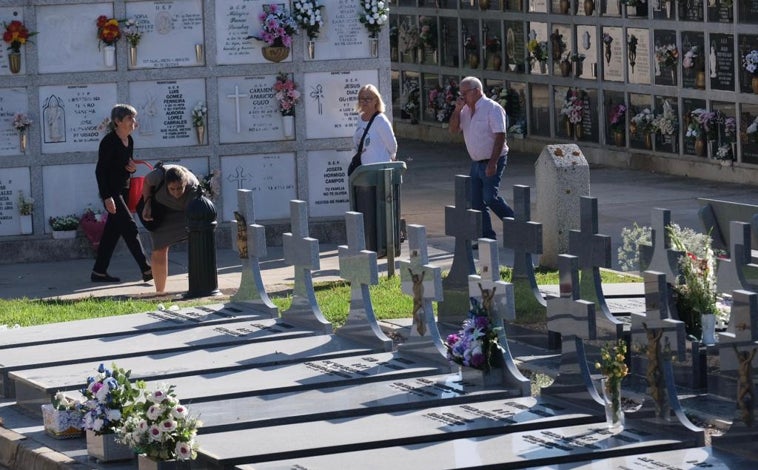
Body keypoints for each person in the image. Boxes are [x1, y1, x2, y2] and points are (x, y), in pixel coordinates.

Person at [91, 104, 152, 283]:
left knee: (112, 233)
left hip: (124, 191)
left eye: (134, 118)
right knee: (130, 227)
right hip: (112, 193)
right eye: (129, 119)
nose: (134, 122)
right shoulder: (109, 142)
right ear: (118, 122)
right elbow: (100, 171)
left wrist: (132, 169)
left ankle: (99, 272)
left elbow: (125, 166)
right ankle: (146, 269)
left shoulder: (129, 140)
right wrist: (106, 197)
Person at [449, 76, 514, 241]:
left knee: (490, 197)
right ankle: (486, 238)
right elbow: (453, 130)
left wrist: (493, 163)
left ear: (476, 91)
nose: (462, 97)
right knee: (476, 202)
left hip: (494, 159)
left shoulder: (492, 108)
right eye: (460, 93)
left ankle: (517, 225)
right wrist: (457, 110)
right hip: (476, 161)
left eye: (465, 93)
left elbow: (500, 136)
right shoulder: (464, 110)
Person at [140, 164, 201, 293]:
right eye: (172, 189)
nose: (176, 193)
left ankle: (198, 286)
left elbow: (196, 214)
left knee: (197, 239)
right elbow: (146, 181)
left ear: (185, 183)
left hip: (183, 213)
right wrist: (147, 203)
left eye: (180, 188)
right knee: (159, 249)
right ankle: (160, 292)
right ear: (166, 184)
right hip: (163, 210)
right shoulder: (158, 176)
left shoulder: (194, 187)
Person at [354, 84, 397, 164]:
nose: (364, 102)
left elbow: (392, 147)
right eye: (361, 99)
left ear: (376, 100)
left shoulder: (380, 120)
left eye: (368, 99)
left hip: (379, 169)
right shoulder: (360, 118)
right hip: (363, 170)